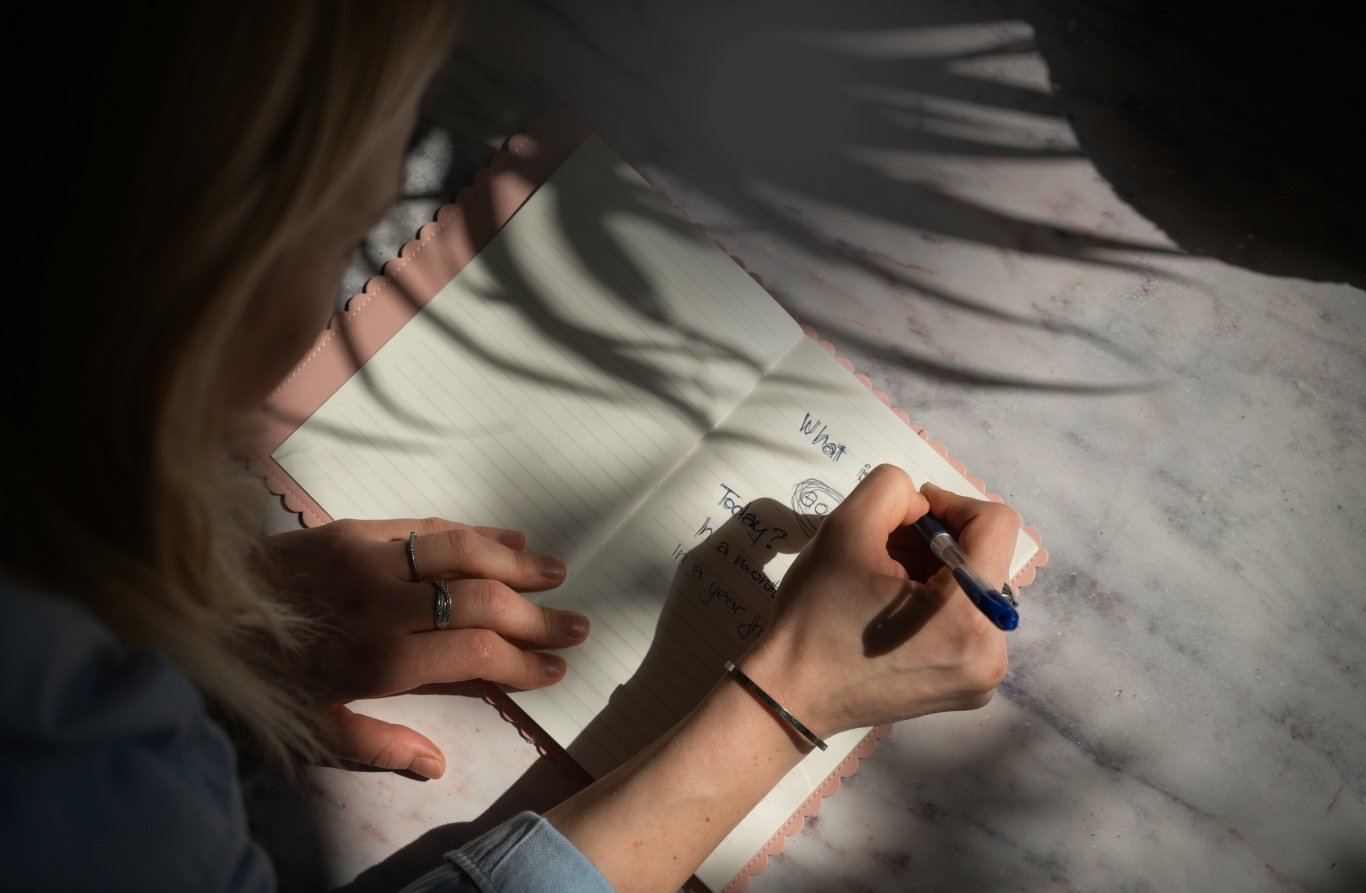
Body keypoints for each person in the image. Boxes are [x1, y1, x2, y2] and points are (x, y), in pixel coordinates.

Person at [3, 4, 1020, 891]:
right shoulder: (73, 772)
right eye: (347, 226)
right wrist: (790, 695)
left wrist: (195, 641)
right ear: (194, 273)